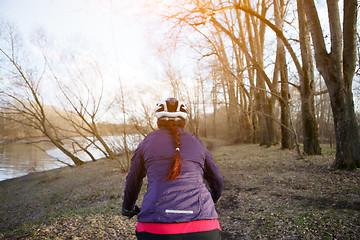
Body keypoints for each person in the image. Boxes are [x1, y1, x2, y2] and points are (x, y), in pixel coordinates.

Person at [122, 97, 223, 240]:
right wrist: (212, 200)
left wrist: (128, 207)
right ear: (184, 123)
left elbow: (133, 179)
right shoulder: (197, 142)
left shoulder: (146, 143)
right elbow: (216, 180)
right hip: (203, 227)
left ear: (157, 123)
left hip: (155, 227)